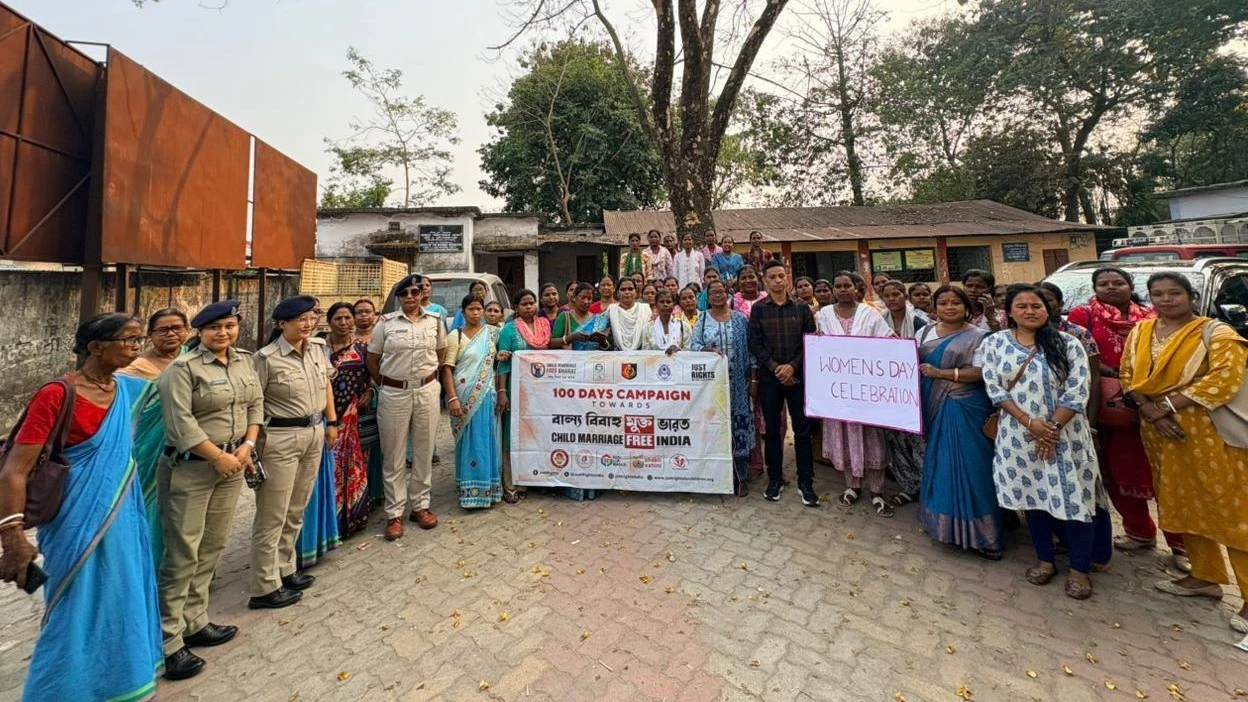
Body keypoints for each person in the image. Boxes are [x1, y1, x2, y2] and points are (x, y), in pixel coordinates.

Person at [0, 313, 163, 700]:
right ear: (96, 347)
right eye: (129, 340)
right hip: (74, 521)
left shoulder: (128, 390)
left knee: (122, 595)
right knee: (74, 606)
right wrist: (12, 537)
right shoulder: (57, 394)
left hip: (124, 516)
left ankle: (121, 683)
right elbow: (13, 471)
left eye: (140, 340)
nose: (137, 348)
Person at [1120, 272, 1248, 631]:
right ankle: (1205, 578)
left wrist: (1167, 407)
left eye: (1174, 293)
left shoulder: (1217, 333)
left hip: (1209, 433)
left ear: (1190, 296)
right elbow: (1129, 376)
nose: (1165, 300)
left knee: (1232, 510)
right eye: (1157, 294)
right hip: (1160, 434)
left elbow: (1226, 377)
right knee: (1182, 503)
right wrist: (1149, 411)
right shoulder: (1142, 331)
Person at [157, 300, 263, 679]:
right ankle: (169, 642)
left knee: (212, 546)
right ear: (199, 332)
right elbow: (180, 426)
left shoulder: (243, 361)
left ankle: (196, 621)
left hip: (234, 464)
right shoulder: (182, 369)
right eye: (215, 328)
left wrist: (248, 446)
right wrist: (217, 456)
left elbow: (256, 404)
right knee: (182, 552)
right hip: (194, 469)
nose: (224, 333)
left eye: (230, 326)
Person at [980, 285, 1101, 599]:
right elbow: (995, 388)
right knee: (1032, 498)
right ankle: (1045, 559)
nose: (1030, 311)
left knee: (1075, 500)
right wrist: (1030, 423)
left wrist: (1051, 429)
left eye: (1036, 305)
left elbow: (1078, 391)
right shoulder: (995, 344)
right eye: (1021, 306)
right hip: (1018, 436)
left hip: (1068, 436)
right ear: (1009, 312)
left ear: (1048, 310)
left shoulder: (1069, 344)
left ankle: (1079, 569)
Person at [1066, 267, 1186, 567]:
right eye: (1103, 284)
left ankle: (1182, 545)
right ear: (1094, 288)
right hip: (1108, 410)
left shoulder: (1150, 318)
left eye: (1117, 283)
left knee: (1165, 478)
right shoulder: (1083, 316)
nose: (1110, 288)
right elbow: (1081, 357)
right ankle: (1139, 531)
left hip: (1155, 406)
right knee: (1117, 473)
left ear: (1130, 286)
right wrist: (1113, 374)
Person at [251, 296, 337, 609]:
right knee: (272, 512)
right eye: (299, 320)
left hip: (314, 432)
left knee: (296, 507)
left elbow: (326, 385)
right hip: (280, 437)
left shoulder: (316, 347)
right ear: (281, 324)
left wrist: (332, 421)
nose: (307, 324)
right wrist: (253, 445)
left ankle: (286, 569)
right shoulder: (266, 358)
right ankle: (264, 585)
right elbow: (253, 404)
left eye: (310, 318)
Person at [914, 287, 1002, 558]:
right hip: (933, 404)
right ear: (935, 306)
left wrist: (942, 373)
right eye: (943, 303)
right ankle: (945, 527)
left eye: (955, 303)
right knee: (942, 464)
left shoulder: (980, 337)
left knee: (971, 467)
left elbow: (980, 372)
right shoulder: (924, 333)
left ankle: (985, 536)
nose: (949, 307)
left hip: (964, 407)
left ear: (967, 307)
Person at [366, 274, 449, 541]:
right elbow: (373, 358)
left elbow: (441, 353)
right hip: (393, 393)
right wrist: (388, 383)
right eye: (405, 294)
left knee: (424, 451)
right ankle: (394, 513)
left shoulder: (435, 322)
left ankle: (421, 507)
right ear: (398, 298)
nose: (410, 297)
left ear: (422, 294)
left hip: (426, 390)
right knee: (394, 454)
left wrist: (424, 379)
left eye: (415, 292)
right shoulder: (385, 324)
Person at [817, 272, 896, 516]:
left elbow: (889, 341)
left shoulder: (869, 314)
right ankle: (852, 486)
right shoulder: (822, 315)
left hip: (866, 390)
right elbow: (817, 346)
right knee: (843, 436)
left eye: (847, 286)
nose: (842, 290)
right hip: (837, 391)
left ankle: (877, 491)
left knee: (871, 437)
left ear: (856, 288)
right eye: (838, 286)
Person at [118, 308, 191, 567]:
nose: (171, 334)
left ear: (187, 331)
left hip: (187, 449)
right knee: (148, 502)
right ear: (150, 335)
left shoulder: (190, 358)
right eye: (163, 330)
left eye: (177, 328)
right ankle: (147, 566)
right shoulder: (131, 371)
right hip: (147, 450)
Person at [749, 259, 818, 506]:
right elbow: (754, 344)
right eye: (772, 277)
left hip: (798, 378)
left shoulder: (801, 308)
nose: (778, 281)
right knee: (773, 430)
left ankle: (806, 482)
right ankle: (774, 479)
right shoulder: (758, 309)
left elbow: (810, 341)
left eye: (781, 276)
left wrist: (793, 366)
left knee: (802, 430)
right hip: (770, 379)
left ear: (786, 278)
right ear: (764, 281)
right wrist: (776, 367)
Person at [692, 279, 755, 496]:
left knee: (739, 425)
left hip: (738, 383)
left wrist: (753, 379)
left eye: (721, 292)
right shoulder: (701, 320)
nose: (718, 296)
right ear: (707, 297)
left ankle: (740, 476)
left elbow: (751, 349)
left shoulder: (740, 320)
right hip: (711, 386)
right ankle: (715, 476)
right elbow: (694, 345)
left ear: (728, 294)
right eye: (713, 293)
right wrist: (706, 349)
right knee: (713, 426)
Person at [442, 295, 503, 509]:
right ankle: (468, 489)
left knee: (484, 439)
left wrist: (500, 356)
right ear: (463, 311)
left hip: (485, 394)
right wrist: (453, 398)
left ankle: (486, 489)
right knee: (467, 440)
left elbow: (495, 359)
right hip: (462, 394)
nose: (475, 313)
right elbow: (447, 369)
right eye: (471, 309)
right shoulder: (454, 336)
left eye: (479, 309)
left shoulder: (493, 333)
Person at [324, 302, 373, 537]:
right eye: (338, 319)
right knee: (327, 469)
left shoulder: (362, 349)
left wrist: (369, 392)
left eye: (347, 318)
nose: (343, 323)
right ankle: (327, 521)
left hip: (352, 418)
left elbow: (374, 375)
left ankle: (352, 517)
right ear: (329, 321)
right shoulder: (318, 348)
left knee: (352, 467)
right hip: (324, 418)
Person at [497, 289, 551, 502]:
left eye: (532, 303)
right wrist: (502, 391)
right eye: (525, 304)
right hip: (515, 388)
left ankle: (530, 480)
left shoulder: (544, 326)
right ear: (517, 308)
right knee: (513, 434)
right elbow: (503, 363)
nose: (529, 307)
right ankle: (510, 483)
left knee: (534, 432)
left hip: (539, 390)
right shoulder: (509, 330)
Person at [879, 280, 928, 506]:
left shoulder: (920, 323)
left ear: (905, 297)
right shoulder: (879, 322)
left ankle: (927, 485)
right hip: (890, 391)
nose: (891, 298)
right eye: (887, 295)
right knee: (896, 439)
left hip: (917, 389)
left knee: (919, 440)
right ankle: (908, 486)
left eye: (896, 294)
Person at [352, 298, 384, 508]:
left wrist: (372, 388)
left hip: (377, 394)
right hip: (349, 401)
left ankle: (374, 492)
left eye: (368, 312)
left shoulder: (380, 336)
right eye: (359, 312)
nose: (364, 315)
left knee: (375, 445)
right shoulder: (346, 339)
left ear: (375, 315)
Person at [551, 282, 609, 351]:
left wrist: (603, 342)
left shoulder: (598, 319)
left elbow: (608, 347)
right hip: (570, 360)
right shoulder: (565, 317)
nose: (586, 302)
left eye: (589, 298)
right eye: (583, 298)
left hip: (593, 360)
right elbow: (552, 343)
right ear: (575, 297)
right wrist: (571, 338)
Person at [606, 278, 651, 351]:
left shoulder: (645, 309)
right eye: (623, 289)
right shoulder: (611, 310)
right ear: (617, 293)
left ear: (636, 292)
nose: (627, 292)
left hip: (641, 355)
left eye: (630, 289)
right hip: (617, 355)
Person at [645, 289, 691, 353]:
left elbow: (689, 351)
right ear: (656, 305)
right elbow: (645, 353)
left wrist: (678, 351)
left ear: (673, 305)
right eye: (661, 302)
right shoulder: (648, 328)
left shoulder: (683, 326)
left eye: (668, 302)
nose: (665, 304)